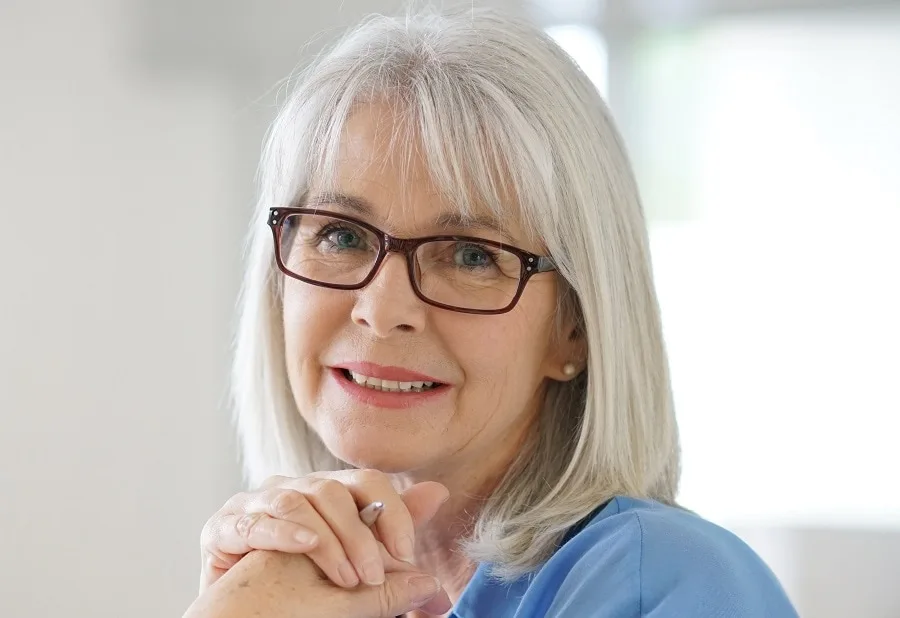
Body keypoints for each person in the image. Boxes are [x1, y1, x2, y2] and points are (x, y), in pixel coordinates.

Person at [182, 6, 799, 618]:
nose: (381, 309)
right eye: (341, 236)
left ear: (575, 328)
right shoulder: (298, 584)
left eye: (471, 255)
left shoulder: (671, 582)